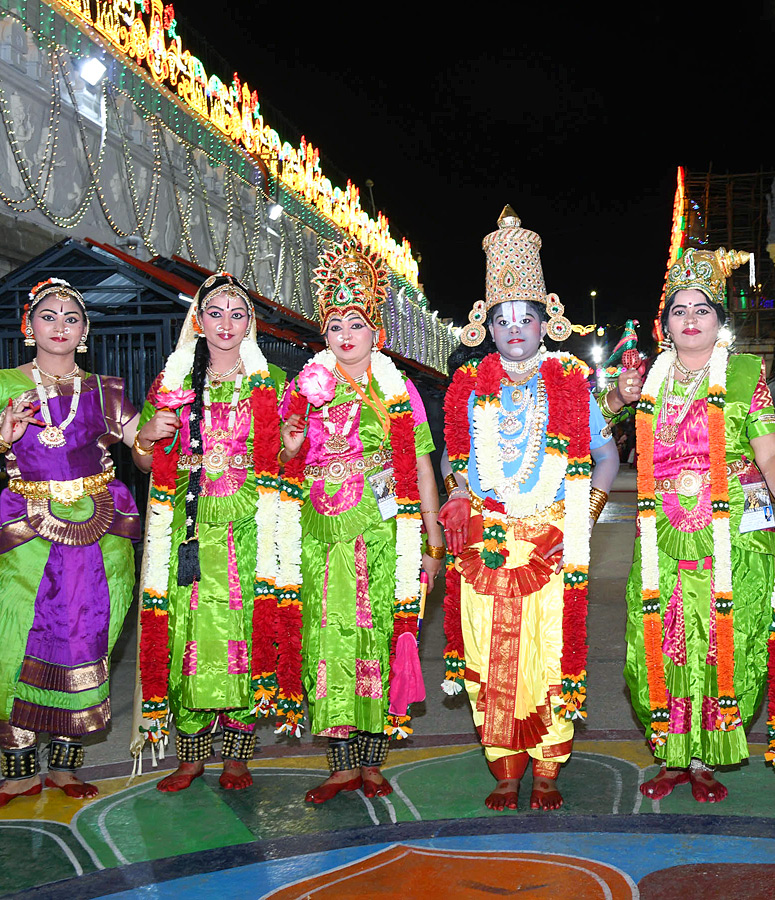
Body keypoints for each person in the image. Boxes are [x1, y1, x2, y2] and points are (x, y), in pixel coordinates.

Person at [439, 207, 634, 811]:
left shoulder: (570, 381)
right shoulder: (467, 386)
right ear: (487, 327)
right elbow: (456, 460)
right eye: (504, 319)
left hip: (551, 542)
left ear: (547, 322)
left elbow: (607, 456)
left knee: (549, 652)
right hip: (486, 546)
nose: (516, 328)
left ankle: (548, 766)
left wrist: (582, 517)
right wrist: (458, 496)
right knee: (485, 651)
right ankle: (504, 766)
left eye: (528, 317)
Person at [624, 247, 775, 804]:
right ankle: (671, 751)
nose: (690, 319)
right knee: (662, 636)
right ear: (666, 324)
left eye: (702, 309)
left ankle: (706, 757)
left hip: (731, 533)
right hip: (662, 531)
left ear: (719, 320)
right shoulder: (647, 379)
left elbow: (772, 452)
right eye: (678, 309)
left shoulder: (745, 375)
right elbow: (595, 427)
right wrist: (617, 394)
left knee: (719, 640)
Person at [279, 239, 444, 803]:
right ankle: (339, 763)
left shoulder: (400, 393)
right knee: (328, 643)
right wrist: (294, 443)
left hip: (381, 533)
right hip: (322, 535)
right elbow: (283, 463)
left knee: (378, 637)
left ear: (376, 331)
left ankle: (373, 762)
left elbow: (423, 468)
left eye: (356, 322)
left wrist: (433, 539)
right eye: (333, 325)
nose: (345, 335)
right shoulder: (302, 387)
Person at [134, 274, 287, 792]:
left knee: (243, 631)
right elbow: (145, 458)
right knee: (188, 633)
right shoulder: (174, 379)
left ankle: (239, 754)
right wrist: (145, 436)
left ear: (250, 323)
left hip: (249, 524)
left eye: (237, 313)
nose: (225, 323)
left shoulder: (273, 382)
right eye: (215, 312)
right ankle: (192, 752)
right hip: (191, 524)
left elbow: (290, 457)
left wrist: (290, 444)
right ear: (198, 318)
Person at [0, 279, 142, 805]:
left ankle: (63, 766)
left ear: (85, 331)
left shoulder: (105, 390)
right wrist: (2, 438)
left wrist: (159, 432)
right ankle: (16, 769)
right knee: (15, 638)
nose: (60, 326)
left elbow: (143, 447)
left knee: (85, 638)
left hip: (99, 529)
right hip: (24, 528)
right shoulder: (4, 385)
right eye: (49, 316)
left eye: (72, 318)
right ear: (28, 325)